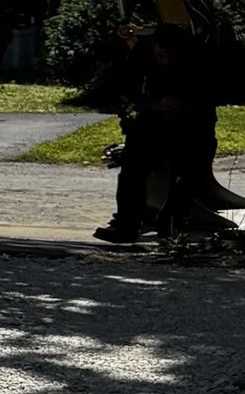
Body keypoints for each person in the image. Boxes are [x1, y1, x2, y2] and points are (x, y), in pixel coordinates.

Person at [96, 22, 228, 244]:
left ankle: (171, 222)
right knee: (132, 171)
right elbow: (123, 87)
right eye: (160, 52)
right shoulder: (142, 55)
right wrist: (151, 104)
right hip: (152, 121)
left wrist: (185, 106)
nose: (163, 57)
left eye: (169, 53)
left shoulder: (201, 59)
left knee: (192, 172)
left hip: (193, 123)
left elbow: (216, 93)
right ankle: (127, 225)